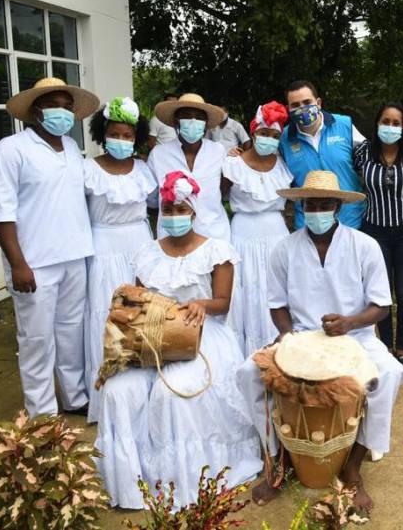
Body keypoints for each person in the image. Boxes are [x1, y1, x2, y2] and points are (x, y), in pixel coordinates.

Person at [237, 170, 403, 513]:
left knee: (388, 374)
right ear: (301, 207)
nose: (316, 210)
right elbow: (277, 305)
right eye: (310, 204)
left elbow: (382, 307)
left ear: (337, 206)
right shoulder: (284, 249)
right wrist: (288, 338)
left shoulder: (365, 246)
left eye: (323, 204)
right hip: (301, 335)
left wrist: (350, 322)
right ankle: (277, 462)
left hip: (356, 335)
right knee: (247, 373)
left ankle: (353, 466)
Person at [95, 171, 261, 508]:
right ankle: (130, 485)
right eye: (168, 211)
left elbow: (223, 302)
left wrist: (201, 304)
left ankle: (183, 482)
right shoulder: (147, 252)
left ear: (194, 213)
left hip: (200, 334)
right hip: (151, 337)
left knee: (174, 392)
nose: (174, 217)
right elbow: (140, 300)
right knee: (116, 392)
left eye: (180, 210)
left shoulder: (217, 251)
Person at [0, 77, 99, 417]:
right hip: (34, 262)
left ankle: (75, 397)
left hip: (75, 256)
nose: (61, 112)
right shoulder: (11, 149)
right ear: (35, 112)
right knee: (36, 340)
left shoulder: (75, 152)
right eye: (53, 105)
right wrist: (18, 264)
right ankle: (42, 413)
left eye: (66, 106)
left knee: (70, 333)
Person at [82, 97, 157, 423]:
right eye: (115, 134)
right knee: (105, 317)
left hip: (139, 247)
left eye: (128, 136)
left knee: (140, 317)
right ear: (103, 134)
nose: (122, 141)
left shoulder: (143, 169)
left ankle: (142, 391)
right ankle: (106, 395)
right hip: (103, 248)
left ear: (136, 138)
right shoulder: (88, 169)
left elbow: (159, 206)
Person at [354, 103, 403, 369]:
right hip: (375, 231)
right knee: (381, 292)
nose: (391, 127)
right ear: (377, 123)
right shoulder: (362, 152)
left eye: (397, 123)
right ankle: (384, 346)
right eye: (386, 121)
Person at [222, 101, 293, 357]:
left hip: (276, 234)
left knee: (275, 291)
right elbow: (218, 197)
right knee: (248, 292)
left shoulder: (284, 165)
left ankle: (280, 353)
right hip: (243, 234)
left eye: (274, 136)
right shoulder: (232, 164)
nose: (268, 139)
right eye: (264, 133)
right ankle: (248, 358)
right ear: (253, 132)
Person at [279, 80, 367, 229]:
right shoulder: (284, 138)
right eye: (295, 105)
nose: (302, 108)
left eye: (307, 102)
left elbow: (372, 159)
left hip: (351, 220)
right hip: (309, 222)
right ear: (288, 109)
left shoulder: (344, 125)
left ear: (318, 103)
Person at [147, 93, 230, 241]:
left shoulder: (218, 151)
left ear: (205, 123)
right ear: (176, 121)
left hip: (213, 233)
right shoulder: (159, 154)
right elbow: (152, 199)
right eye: (186, 116)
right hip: (171, 237)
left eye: (199, 117)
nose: (193, 121)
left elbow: (222, 189)